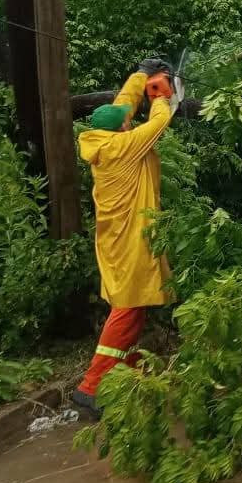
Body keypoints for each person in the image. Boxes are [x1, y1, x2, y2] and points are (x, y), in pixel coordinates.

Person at [70, 59, 178, 419]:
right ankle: (91, 387)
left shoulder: (104, 138)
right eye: (127, 120)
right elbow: (160, 122)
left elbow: (123, 104)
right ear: (122, 130)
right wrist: (162, 94)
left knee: (133, 309)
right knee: (128, 309)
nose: (129, 118)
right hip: (130, 239)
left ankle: (125, 376)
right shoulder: (124, 147)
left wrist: (141, 75)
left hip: (117, 238)